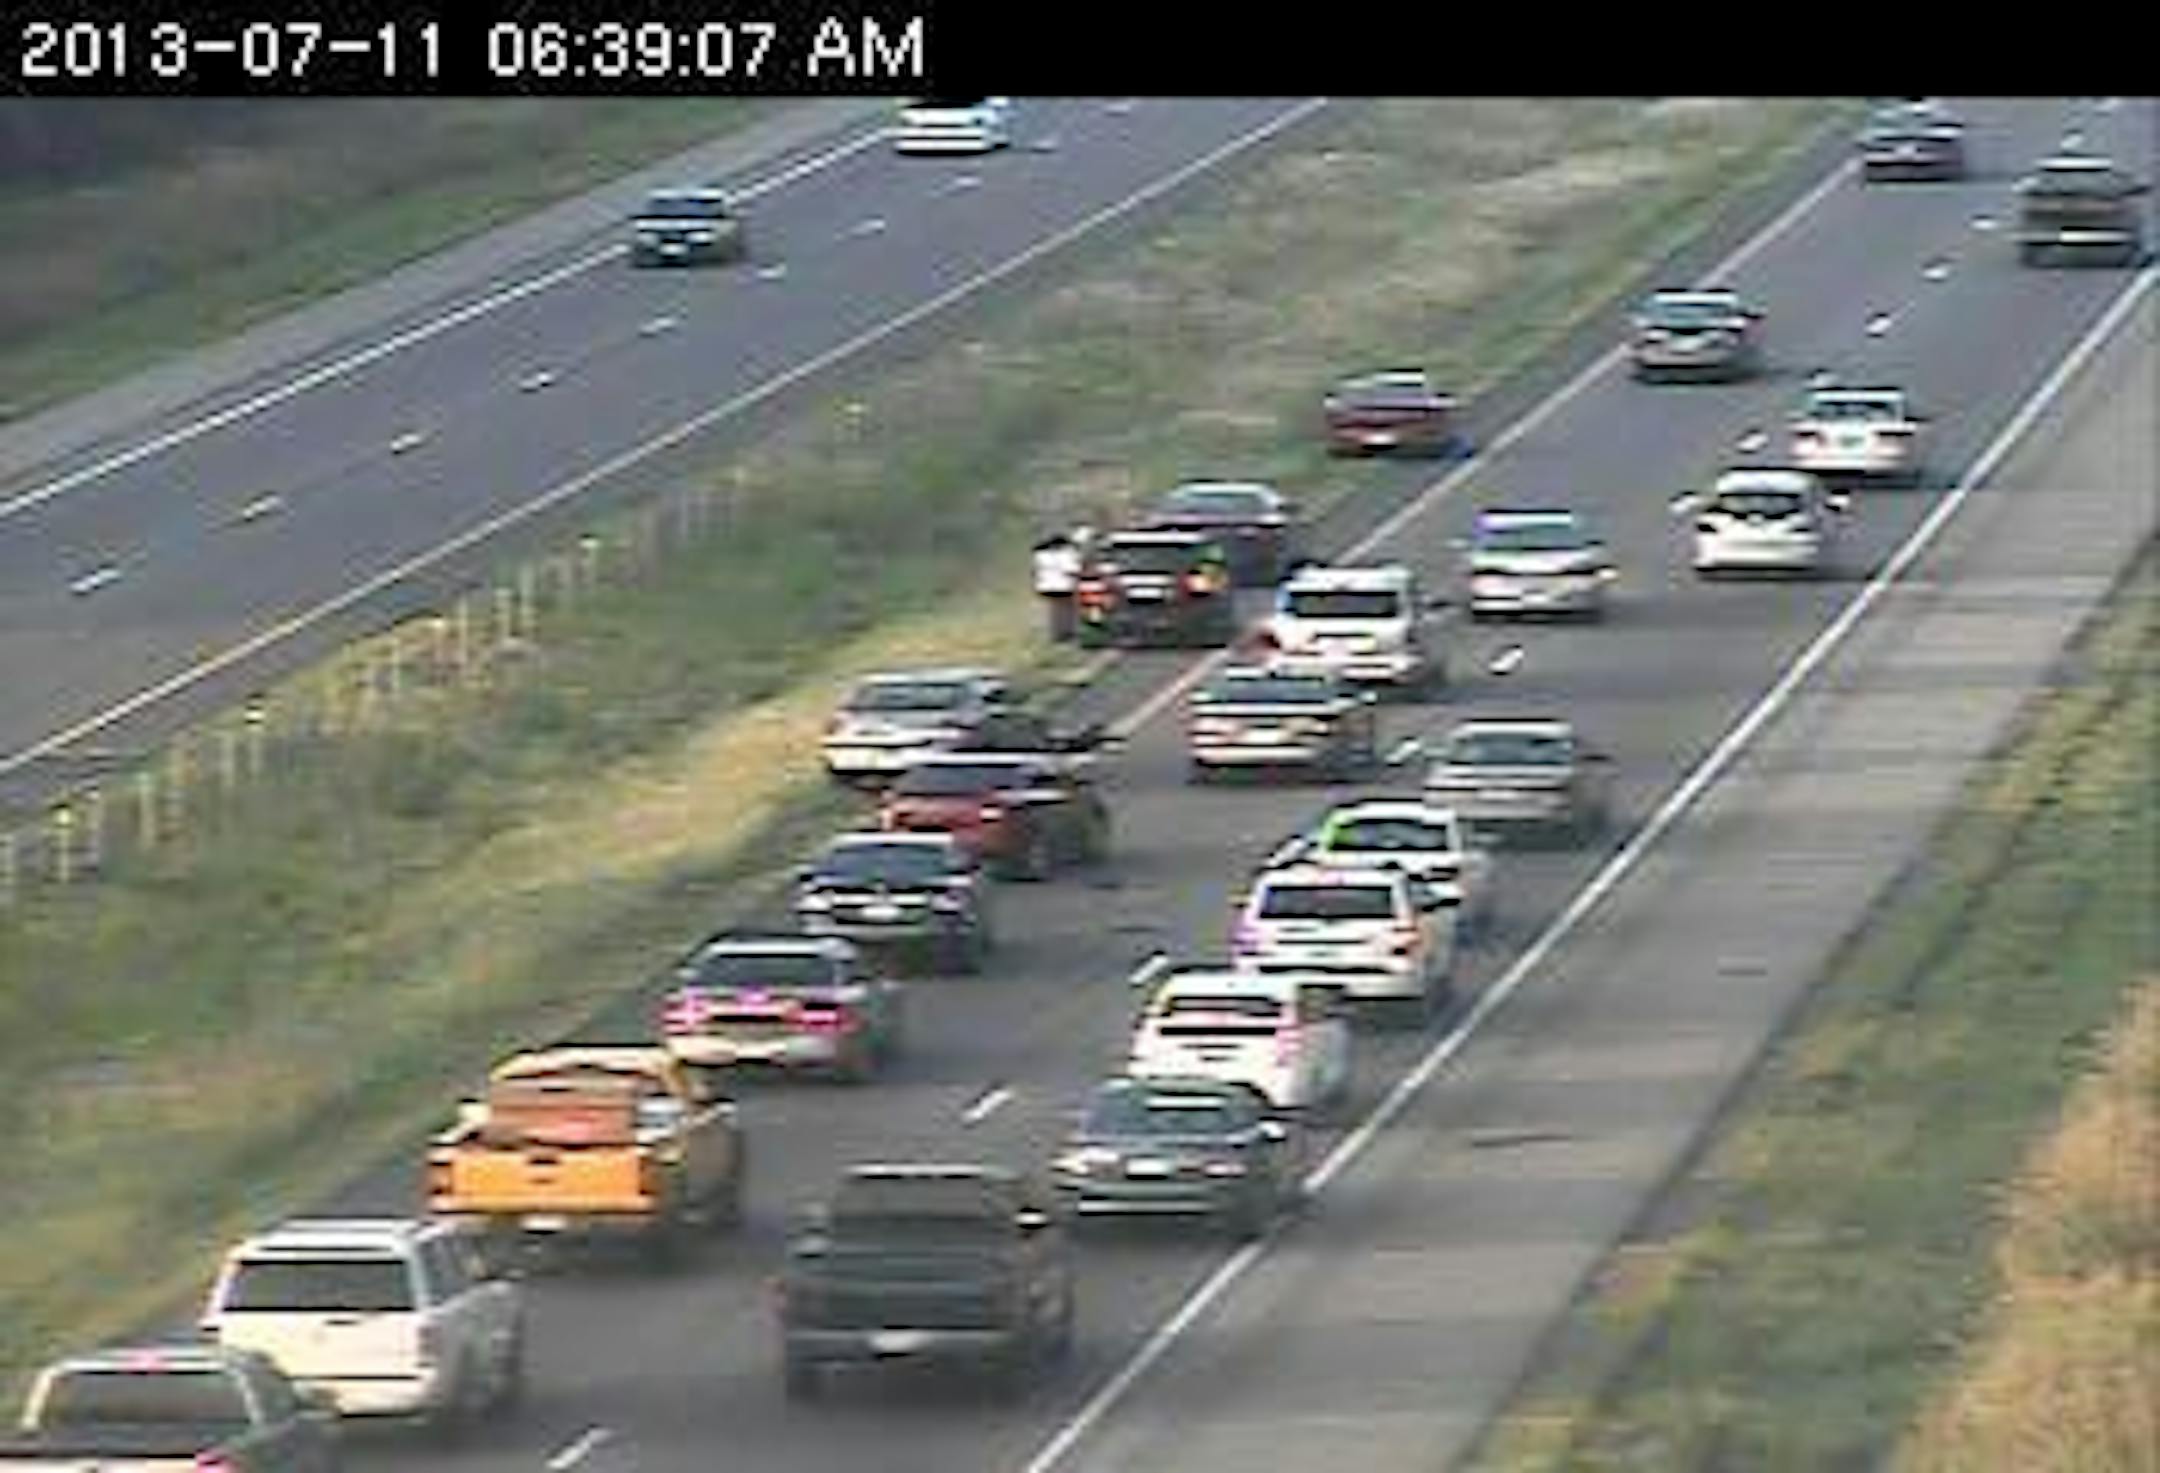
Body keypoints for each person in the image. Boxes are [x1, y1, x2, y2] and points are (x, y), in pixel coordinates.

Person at [1032, 526, 1090, 642]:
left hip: (1045, 586)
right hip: (1064, 586)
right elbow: (1072, 569)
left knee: (1055, 610)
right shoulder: (1065, 555)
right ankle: (1066, 633)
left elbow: (1037, 570)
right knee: (1068, 609)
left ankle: (1056, 633)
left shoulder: (1041, 555)